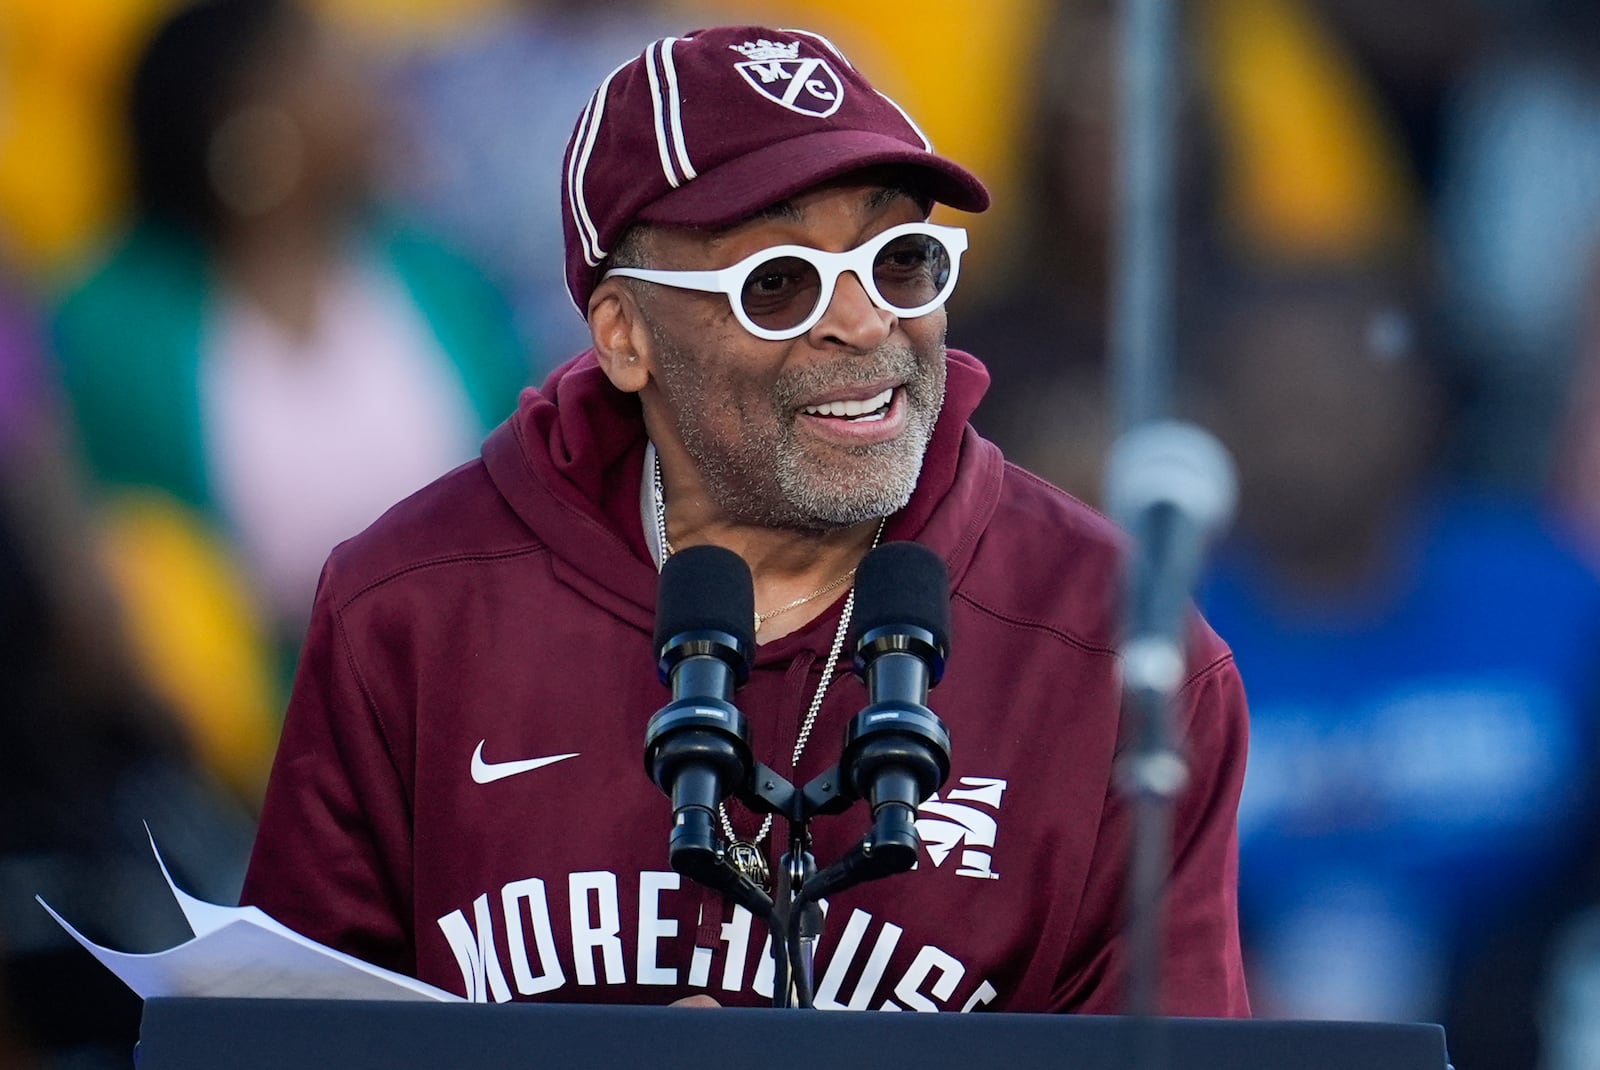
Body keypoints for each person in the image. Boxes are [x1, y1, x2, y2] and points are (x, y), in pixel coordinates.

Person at [241, 25, 1250, 1014]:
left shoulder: (1115, 647)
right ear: (625, 337)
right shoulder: (409, 608)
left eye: (898, 260)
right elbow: (274, 1046)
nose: (864, 322)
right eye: (777, 283)